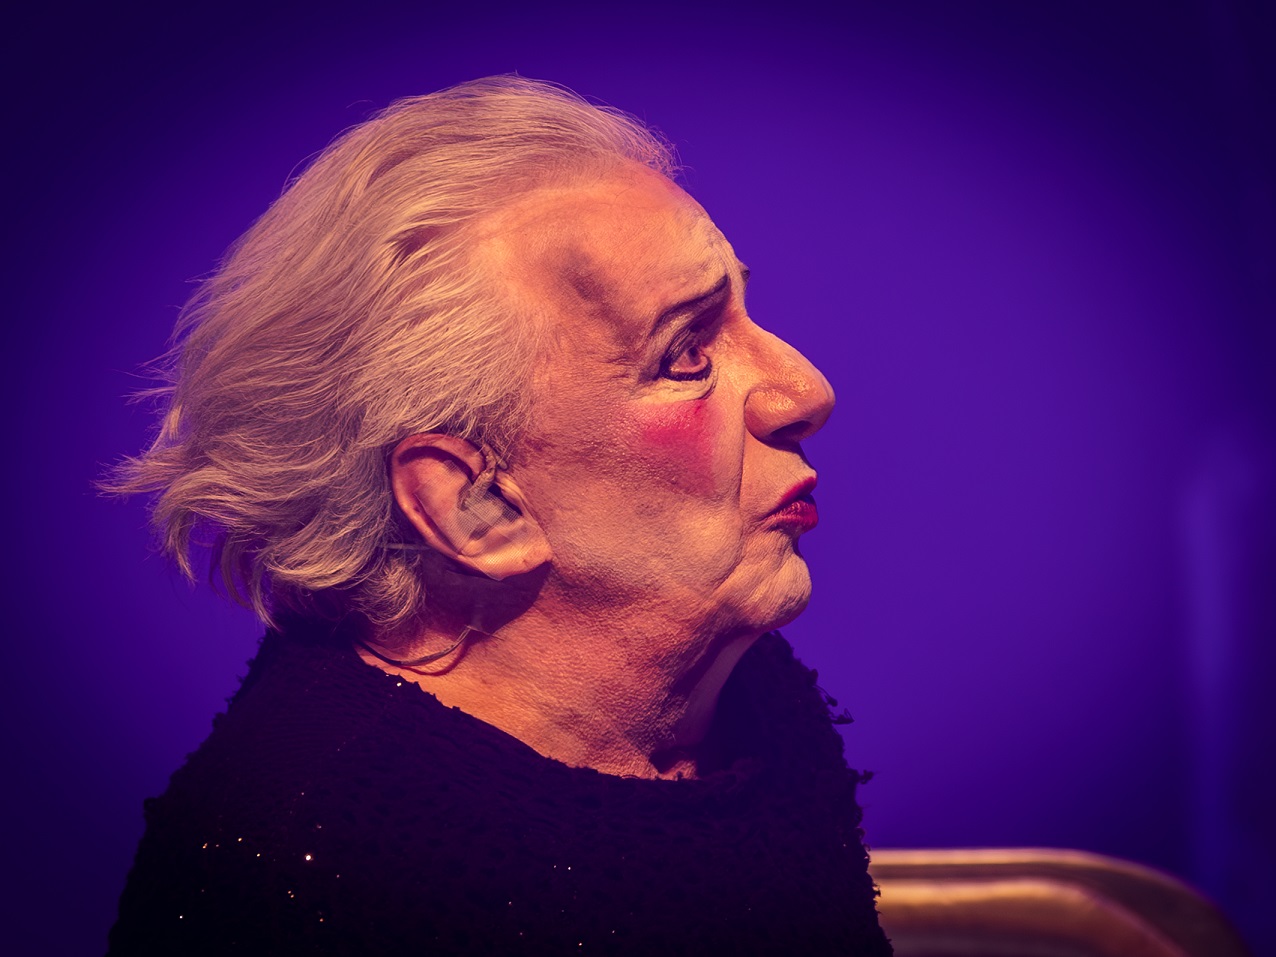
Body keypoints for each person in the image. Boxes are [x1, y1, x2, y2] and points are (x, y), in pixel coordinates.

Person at [106, 76, 893, 955]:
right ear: (473, 506)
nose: (805, 389)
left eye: (743, 309)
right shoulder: (305, 866)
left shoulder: (748, 706)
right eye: (686, 352)